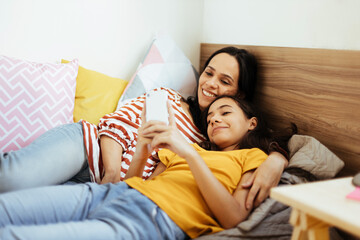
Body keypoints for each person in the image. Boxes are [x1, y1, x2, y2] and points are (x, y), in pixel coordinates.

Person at [0, 47, 287, 209]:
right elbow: (117, 123)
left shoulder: (216, 143)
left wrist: (277, 159)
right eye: (209, 73)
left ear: (240, 95)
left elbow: (274, 142)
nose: (211, 83)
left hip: (105, 193)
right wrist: (112, 172)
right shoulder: (170, 97)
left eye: (225, 81)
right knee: (11, 180)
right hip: (87, 148)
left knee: (23, 206)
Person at [0, 96, 295, 240]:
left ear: (251, 122)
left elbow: (233, 218)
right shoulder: (187, 148)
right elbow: (133, 182)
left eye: (225, 112)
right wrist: (142, 146)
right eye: (210, 117)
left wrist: (191, 157)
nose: (214, 119)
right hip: (105, 195)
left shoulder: (253, 158)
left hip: (148, 222)